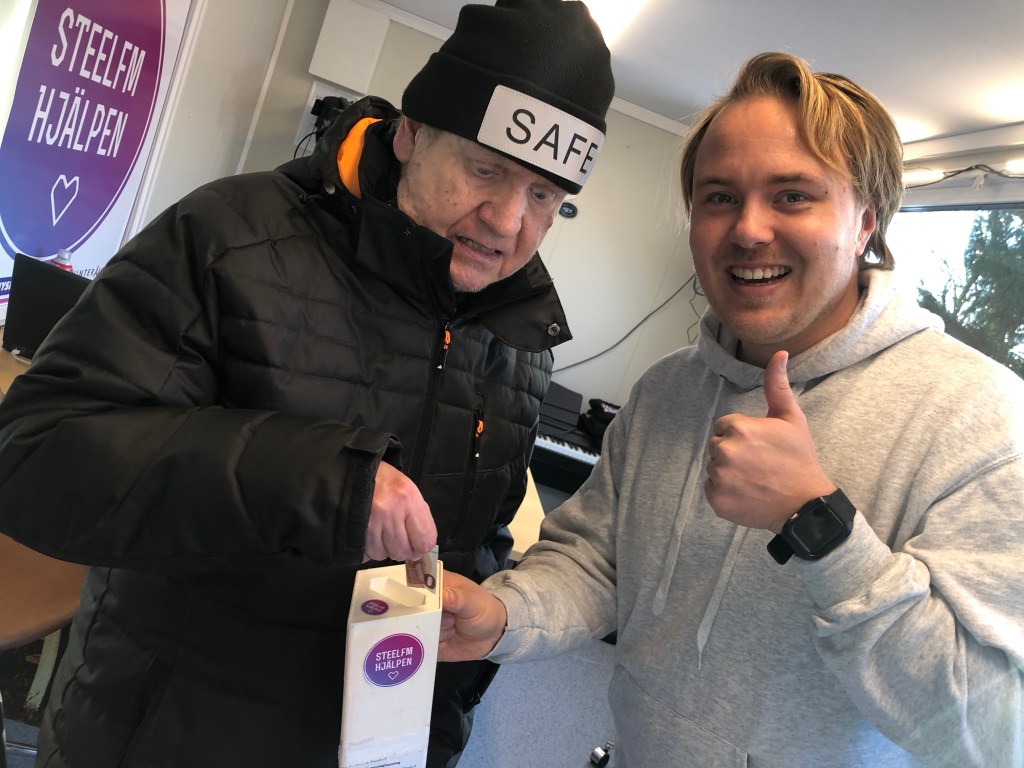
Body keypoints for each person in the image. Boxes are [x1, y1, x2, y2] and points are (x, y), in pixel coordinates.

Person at [0, 1, 614, 766]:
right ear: (412, 133)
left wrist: (444, 715)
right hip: (170, 737)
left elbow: (475, 540)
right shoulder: (230, 236)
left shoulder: (522, 341)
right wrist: (316, 480)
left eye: (545, 196)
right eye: (485, 170)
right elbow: (33, 458)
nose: (506, 220)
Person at [438, 51, 1024, 767]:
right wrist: (503, 614)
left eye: (793, 195)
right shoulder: (667, 389)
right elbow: (597, 561)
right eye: (719, 197)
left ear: (865, 222)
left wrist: (819, 525)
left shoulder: (981, 417)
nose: (748, 230)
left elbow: (992, 732)